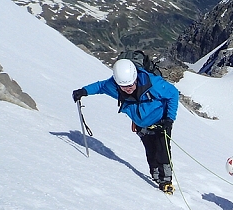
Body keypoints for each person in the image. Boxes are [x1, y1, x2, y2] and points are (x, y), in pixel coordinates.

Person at [72, 59, 179, 194]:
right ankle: (156, 175)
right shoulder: (114, 86)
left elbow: (173, 93)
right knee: (150, 150)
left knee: (163, 150)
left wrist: (169, 119)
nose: (128, 89)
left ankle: (166, 181)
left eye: (130, 85)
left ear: (135, 78)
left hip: (160, 122)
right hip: (141, 126)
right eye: (124, 86)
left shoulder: (152, 82)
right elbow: (100, 86)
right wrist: (83, 91)